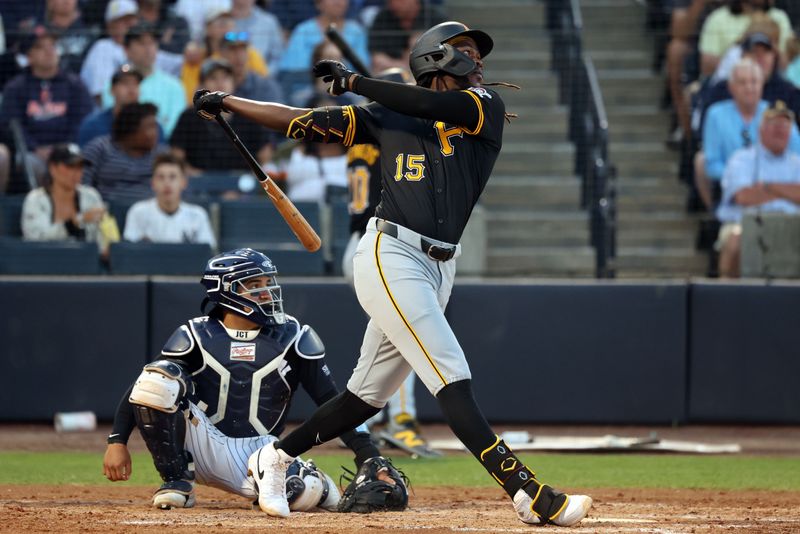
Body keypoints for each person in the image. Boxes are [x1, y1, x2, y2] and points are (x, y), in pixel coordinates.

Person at [194, 20, 592, 524]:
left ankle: (273, 458)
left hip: (439, 264)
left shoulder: (481, 105)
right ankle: (528, 492)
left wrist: (354, 81)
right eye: (466, 49)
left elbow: (427, 106)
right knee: (450, 372)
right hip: (390, 253)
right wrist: (228, 102)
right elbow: (301, 120)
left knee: (365, 396)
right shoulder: (385, 117)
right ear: (435, 58)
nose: (478, 59)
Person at [102, 247, 396, 513]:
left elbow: (334, 402)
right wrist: (117, 440)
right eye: (255, 286)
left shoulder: (293, 335)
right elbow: (143, 386)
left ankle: (313, 480)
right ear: (225, 291)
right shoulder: (195, 334)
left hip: (261, 453)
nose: (267, 292)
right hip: (200, 441)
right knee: (158, 379)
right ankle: (177, 481)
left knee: (300, 494)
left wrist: (367, 453)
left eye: (268, 283)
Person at [342, 66, 441, 459]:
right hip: (385, 242)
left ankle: (363, 420)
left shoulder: (364, 132)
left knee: (389, 338)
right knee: (405, 336)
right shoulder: (397, 131)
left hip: (365, 241)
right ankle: (400, 421)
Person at [0, 25, 93, 186]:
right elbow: (12, 125)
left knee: (80, 161)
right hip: (31, 153)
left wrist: (62, 148)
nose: (49, 51)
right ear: (29, 56)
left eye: (52, 45)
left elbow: (82, 121)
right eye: (40, 47)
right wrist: (35, 148)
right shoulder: (16, 87)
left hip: (69, 148)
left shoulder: (75, 84)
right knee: (31, 163)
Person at [716, 100, 800, 276]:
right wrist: (789, 193)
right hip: (747, 222)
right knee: (735, 240)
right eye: (774, 124)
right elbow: (744, 196)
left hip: (793, 224)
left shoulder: (797, 163)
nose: (780, 130)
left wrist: (768, 187)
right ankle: (726, 299)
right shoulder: (742, 159)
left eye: (785, 126)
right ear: (761, 129)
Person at [171, 59, 275, 177]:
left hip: (242, 187)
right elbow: (176, 156)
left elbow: (265, 156)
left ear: (233, 83)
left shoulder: (248, 115)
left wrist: (245, 182)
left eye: (225, 77)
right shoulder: (189, 117)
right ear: (201, 86)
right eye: (213, 78)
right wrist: (194, 176)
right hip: (198, 188)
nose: (220, 83)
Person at [21, 143, 111, 252]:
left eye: (80, 167)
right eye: (70, 167)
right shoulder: (36, 199)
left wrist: (106, 249)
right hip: (46, 263)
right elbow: (36, 239)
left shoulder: (91, 196)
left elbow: (105, 236)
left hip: (86, 264)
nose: (76, 173)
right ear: (52, 168)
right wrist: (76, 222)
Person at [102, 23, 187, 137]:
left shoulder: (175, 86)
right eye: (141, 43)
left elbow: (175, 127)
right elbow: (111, 121)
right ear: (126, 50)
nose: (148, 49)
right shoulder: (113, 86)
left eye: (152, 43)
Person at [278, 0, 370, 100]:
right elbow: (293, 71)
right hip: (310, 91)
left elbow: (362, 69)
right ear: (318, 4)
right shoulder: (303, 30)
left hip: (348, 91)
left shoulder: (356, 31)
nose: (338, 2)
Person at [123, 153, 216, 247]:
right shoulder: (138, 212)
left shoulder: (198, 215)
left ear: (184, 182)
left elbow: (208, 253)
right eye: (161, 177)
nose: (167, 183)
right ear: (153, 183)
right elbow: (128, 253)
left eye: (172, 177)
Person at [83, 102, 168, 204]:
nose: (155, 133)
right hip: (105, 214)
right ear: (131, 131)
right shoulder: (99, 149)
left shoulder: (162, 155)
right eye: (149, 127)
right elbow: (83, 188)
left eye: (155, 127)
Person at [78, 64, 165, 147]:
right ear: (112, 90)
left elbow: (160, 157)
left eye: (136, 84)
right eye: (125, 83)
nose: (131, 90)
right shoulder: (93, 126)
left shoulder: (152, 127)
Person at [368, 0, 446, 72]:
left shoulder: (433, 17)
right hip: (390, 77)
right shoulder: (383, 17)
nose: (394, 3)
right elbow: (377, 59)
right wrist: (403, 67)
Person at [218, 30, 284, 103]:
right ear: (221, 54)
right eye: (233, 50)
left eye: (243, 49)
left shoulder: (264, 86)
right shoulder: (214, 84)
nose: (239, 56)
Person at [230, 0, 284, 74]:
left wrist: (265, 74)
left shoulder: (269, 22)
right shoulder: (221, 22)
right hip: (226, 78)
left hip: (262, 78)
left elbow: (278, 57)